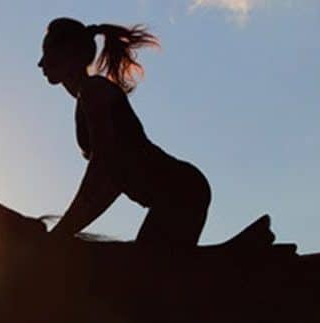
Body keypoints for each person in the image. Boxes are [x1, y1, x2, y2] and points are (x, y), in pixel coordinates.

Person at [39, 18, 212, 250]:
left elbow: (106, 170)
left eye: (48, 52)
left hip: (180, 193)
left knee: (146, 272)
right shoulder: (89, 95)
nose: (41, 63)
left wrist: (63, 230)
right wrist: (67, 228)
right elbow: (110, 177)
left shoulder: (94, 91)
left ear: (71, 54)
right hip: (178, 192)